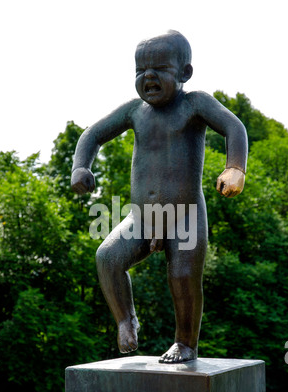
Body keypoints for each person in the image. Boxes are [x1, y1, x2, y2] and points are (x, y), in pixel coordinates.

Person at [71, 30, 248, 363]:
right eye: (140, 70)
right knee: (107, 258)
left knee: (182, 277)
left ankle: (185, 342)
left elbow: (233, 126)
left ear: (184, 73)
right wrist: (81, 167)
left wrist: (235, 167)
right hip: (142, 218)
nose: (148, 76)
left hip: (185, 215)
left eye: (159, 68)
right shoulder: (134, 111)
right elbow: (92, 134)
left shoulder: (195, 103)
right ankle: (126, 319)